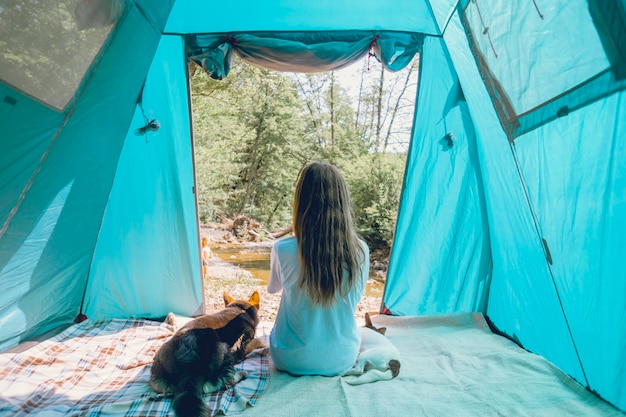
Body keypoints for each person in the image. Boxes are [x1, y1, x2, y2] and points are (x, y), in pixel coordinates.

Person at [267, 161, 370, 376]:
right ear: (343, 203)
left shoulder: (282, 249)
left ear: (301, 202)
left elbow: (273, 289)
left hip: (289, 357)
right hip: (341, 359)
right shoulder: (361, 251)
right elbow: (355, 298)